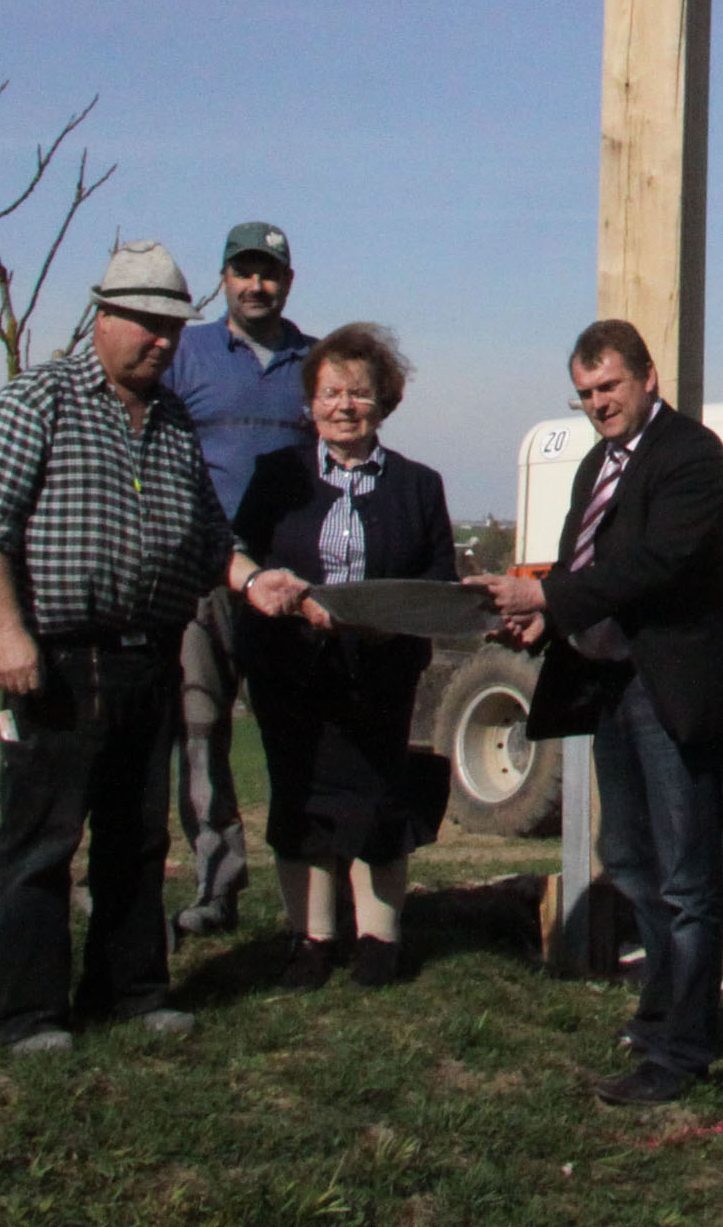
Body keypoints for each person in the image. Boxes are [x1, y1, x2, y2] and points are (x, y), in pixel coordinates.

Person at [0, 240, 231, 1055]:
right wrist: (7, 629)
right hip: (57, 658)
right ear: (103, 317)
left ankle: (131, 990)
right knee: (42, 843)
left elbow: (213, 536)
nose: (163, 343)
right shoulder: (36, 401)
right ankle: (30, 1015)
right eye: (147, 326)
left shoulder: (176, 421)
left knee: (137, 839)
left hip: (148, 656)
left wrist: (257, 580)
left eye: (174, 330)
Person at [476, 319, 723, 1106]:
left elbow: (656, 563)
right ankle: (661, 1012)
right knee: (630, 859)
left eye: (610, 388)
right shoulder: (597, 462)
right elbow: (583, 563)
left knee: (689, 879)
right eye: (586, 393)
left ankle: (683, 1050)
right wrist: (542, 614)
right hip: (610, 688)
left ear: (647, 378)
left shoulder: (692, 456)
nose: (598, 404)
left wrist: (550, 594)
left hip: (671, 690)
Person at [226, 322, 454, 990]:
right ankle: (311, 940)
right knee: (298, 797)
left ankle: (379, 939)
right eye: (330, 393)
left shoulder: (419, 485)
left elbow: (438, 577)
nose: (344, 406)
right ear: (310, 401)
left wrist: (391, 621)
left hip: (380, 671)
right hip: (290, 666)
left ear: (384, 401)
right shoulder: (277, 476)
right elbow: (241, 553)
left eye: (359, 393)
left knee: (377, 798)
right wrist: (272, 591)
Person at [162, 221, 313, 939]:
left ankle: (311, 899)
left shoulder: (314, 363)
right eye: (244, 272)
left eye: (271, 274)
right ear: (222, 278)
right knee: (199, 739)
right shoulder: (186, 354)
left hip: (286, 586)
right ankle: (216, 888)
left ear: (289, 281)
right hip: (200, 577)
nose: (258, 285)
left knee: (298, 738)